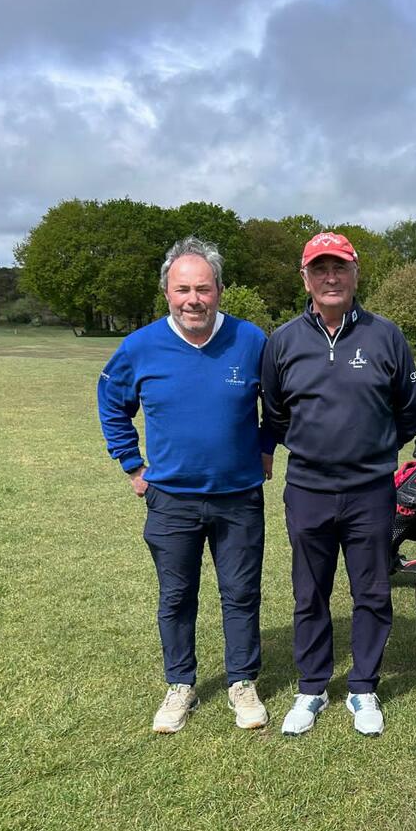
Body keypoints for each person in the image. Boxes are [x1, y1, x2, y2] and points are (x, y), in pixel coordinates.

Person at [97, 236, 274, 734]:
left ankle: (242, 681)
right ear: (167, 293)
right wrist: (132, 465)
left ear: (219, 290)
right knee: (176, 596)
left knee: (241, 593)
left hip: (238, 496)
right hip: (171, 499)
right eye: (182, 290)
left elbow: (278, 402)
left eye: (203, 288)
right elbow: (111, 401)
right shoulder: (140, 346)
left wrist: (265, 446)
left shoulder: (250, 340)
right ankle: (180, 683)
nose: (193, 299)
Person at [261, 231, 416, 738]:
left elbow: (408, 412)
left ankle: (363, 687)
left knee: (371, 590)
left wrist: (370, 451)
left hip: (370, 491)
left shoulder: (386, 336)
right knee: (310, 592)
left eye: (340, 268)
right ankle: (312, 687)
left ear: (355, 274)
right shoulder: (283, 340)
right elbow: (276, 414)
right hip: (307, 489)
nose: (330, 278)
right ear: (305, 278)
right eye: (320, 269)